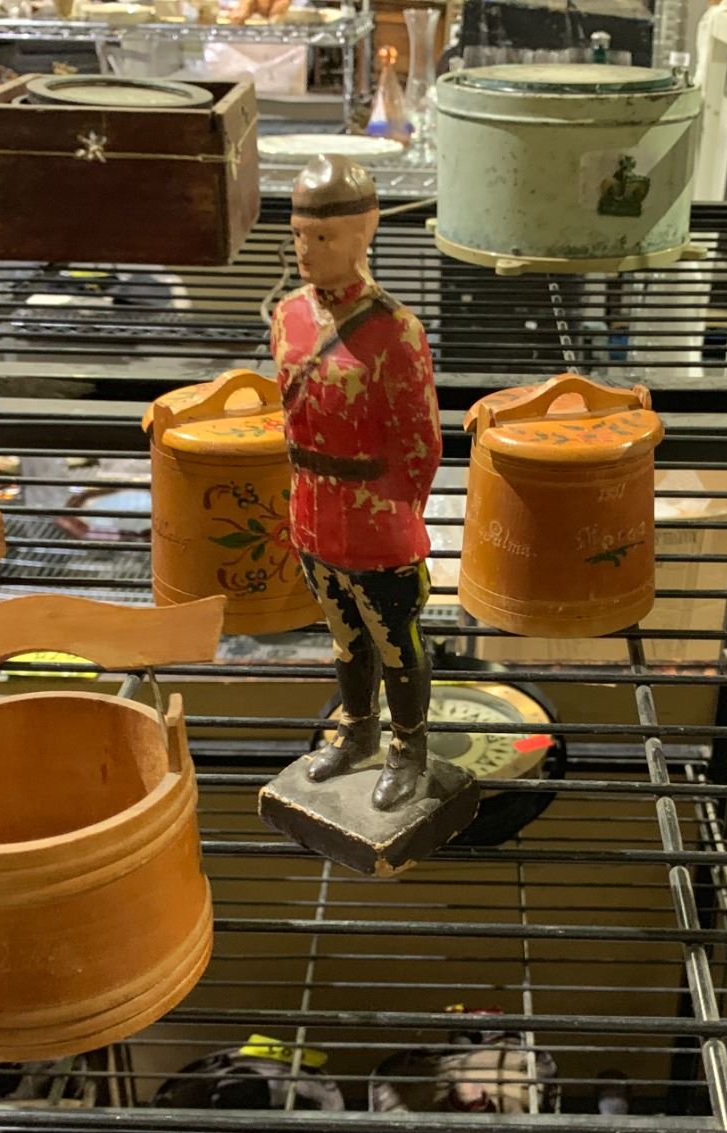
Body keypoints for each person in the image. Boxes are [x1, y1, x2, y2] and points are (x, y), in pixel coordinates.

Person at [269, 155, 443, 810]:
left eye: (323, 236)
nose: (306, 250)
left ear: (365, 231)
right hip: (313, 513)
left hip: (378, 518)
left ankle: (409, 748)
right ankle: (358, 732)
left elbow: (421, 444)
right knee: (344, 639)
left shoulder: (396, 332)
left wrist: (396, 512)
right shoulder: (288, 315)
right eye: (298, 234)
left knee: (396, 643)